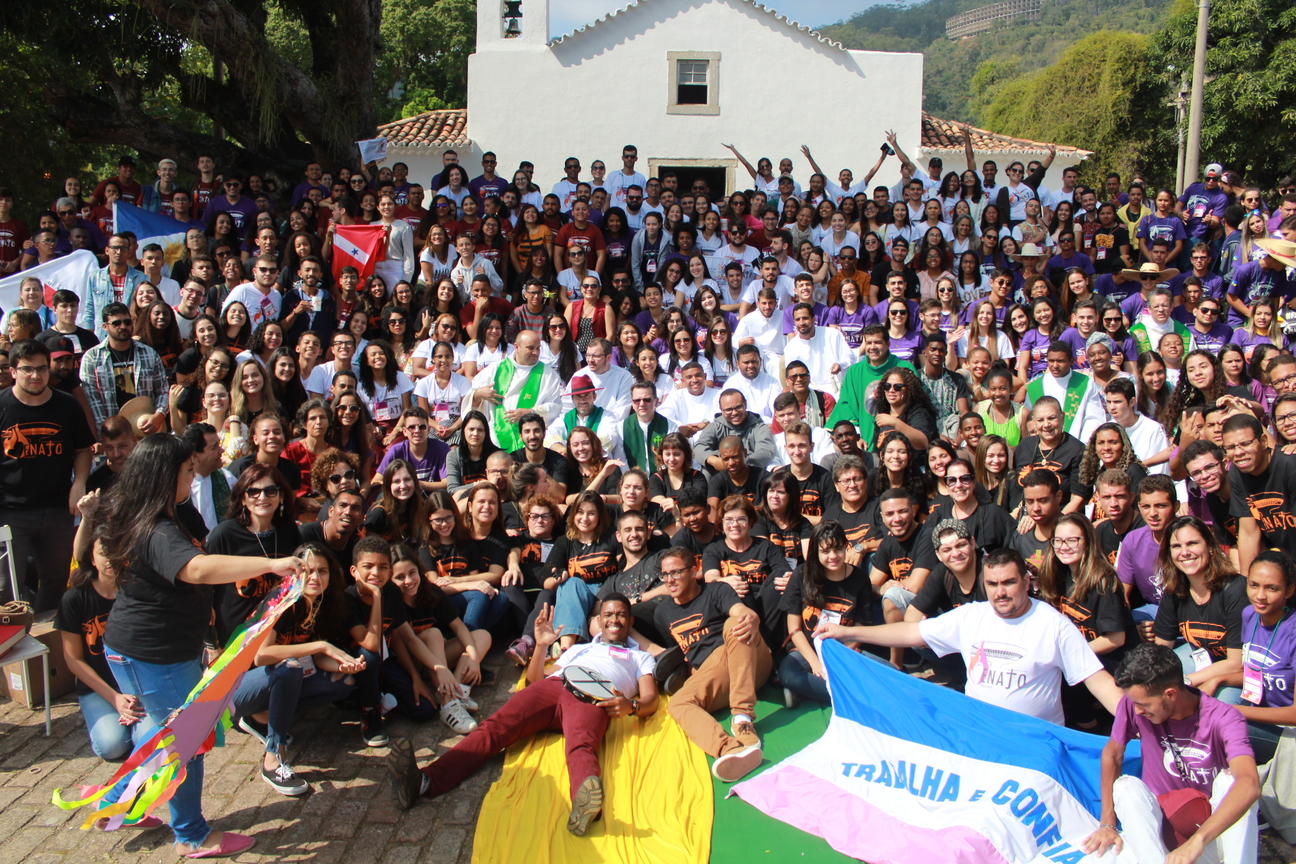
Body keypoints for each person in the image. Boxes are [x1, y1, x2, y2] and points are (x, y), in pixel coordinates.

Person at [100, 434, 303, 856]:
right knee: (186, 742)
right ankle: (191, 834)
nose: (193, 478)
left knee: (163, 732)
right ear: (164, 476)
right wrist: (271, 564)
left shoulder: (163, 513)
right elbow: (196, 568)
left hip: (155, 650)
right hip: (155, 655)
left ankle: (117, 803)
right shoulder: (156, 529)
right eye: (187, 471)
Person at [387, 595, 657, 836]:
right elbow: (535, 680)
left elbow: (650, 700)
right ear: (598, 620)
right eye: (608, 614)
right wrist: (540, 646)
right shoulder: (580, 648)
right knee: (494, 728)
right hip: (555, 685)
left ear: (630, 620)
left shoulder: (640, 658)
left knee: (581, 746)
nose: (614, 620)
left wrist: (632, 707)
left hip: (594, 698)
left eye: (620, 614)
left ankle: (584, 806)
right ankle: (423, 782)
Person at [821, 547, 1123, 725]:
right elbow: (911, 632)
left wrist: (1137, 726)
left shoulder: (1054, 624)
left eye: (1008, 582)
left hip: (1034, 742)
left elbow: (1100, 683)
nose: (1000, 592)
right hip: (979, 733)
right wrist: (847, 631)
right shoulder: (972, 616)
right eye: (992, 584)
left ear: (1026, 582)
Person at [1081, 643, 1259, 864]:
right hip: (1162, 830)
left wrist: (1198, 840)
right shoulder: (1134, 705)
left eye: (1144, 704)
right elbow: (1112, 754)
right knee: (1126, 786)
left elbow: (1250, 783)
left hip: (1211, 832)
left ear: (1170, 694)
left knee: (1232, 781)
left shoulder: (1225, 717)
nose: (1137, 711)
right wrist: (1107, 823)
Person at [230, 543, 361, 796]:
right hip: (235, 691)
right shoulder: (283, 601)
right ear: (294, 572)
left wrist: (345, 665)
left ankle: (259, 718)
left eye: (322, 571)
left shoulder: (320, 603)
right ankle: (273, 758)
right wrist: (322, 645)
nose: (315, 577)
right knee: (289, 667)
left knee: (342, 682)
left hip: (274, 680)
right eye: (307, 570)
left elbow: (316, 657)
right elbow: (262, 656)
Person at [655, 547, 770, 782]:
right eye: (665, 574)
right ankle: (730, 750)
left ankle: (743, 719)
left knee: (736, 623)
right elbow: (683, 653)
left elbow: (741, 612)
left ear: (693, 571)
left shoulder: (716, 590)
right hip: (715, 674)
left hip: (746, 659)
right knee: (678, 703)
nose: (670, 580)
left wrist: (750, 617)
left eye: (676, 572)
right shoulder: (662, 612)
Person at [0, 339, 94, 609]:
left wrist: (79, 483)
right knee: (7, 588)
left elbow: (82, 449)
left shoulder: (67, 405)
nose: (35, 375)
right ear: (13, 371)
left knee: (56, 584)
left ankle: (48, 634)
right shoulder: (2, 405)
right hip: (10, 511)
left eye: (41, 369)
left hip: (57, 509)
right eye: (27, 369)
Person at [779, 520, 872, 704]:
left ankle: (808, 692)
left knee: (888, 669)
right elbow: (794, 629)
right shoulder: (802, 574)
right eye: (826, 551)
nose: (833, 556)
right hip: (808, 650)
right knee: (788, 673)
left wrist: (839, 656)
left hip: (845, 650)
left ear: (846, 547)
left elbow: (862, 627)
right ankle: (854, 696)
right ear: (816, 552)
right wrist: (816, 663)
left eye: (838, 549)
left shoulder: (860, 579)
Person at [79, 303, 170, 432]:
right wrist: (105, 431)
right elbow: (91, 400)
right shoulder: (92, 357)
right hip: (111, 431)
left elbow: (162, 390)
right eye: (116, 323)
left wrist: (159, 415)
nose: (123, 326)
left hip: (145, 426)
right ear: (105, 326)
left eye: (127, 322)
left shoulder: (149, 354)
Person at [1225, 413, 1296, 576]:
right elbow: (1248, 533)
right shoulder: (1237, 472)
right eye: (1231, 447)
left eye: (1245, 444)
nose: (1238, 452)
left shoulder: (1290, 466)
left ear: (1263, 441)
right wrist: (1247, 581)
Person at [468, 329, 563, 451]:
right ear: (517, 347)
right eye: (530, 348)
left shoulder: (548, 375)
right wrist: (479, 394)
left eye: (538, 348)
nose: (535, 352)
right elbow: (471, 401)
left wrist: (530, 412)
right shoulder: (495, 369)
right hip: (495, 438)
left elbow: (555, 407)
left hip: (530, 441)